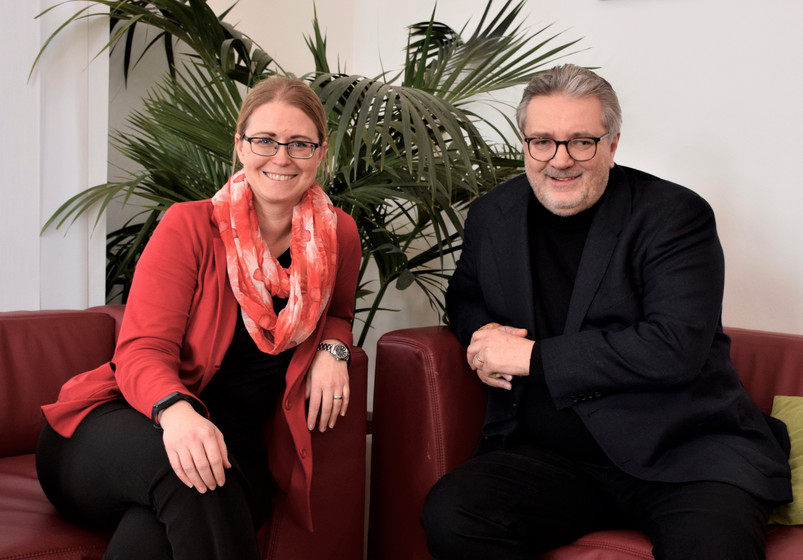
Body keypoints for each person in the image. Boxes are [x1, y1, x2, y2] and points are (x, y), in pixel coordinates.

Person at [420, 64, 792, 560]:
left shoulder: (674, 216)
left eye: (581, 142)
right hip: (553, 461)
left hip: (684, 456)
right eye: (542, 141)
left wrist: (532, 357)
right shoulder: (494, 214)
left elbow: (674, 346)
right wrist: (484, 332)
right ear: (525, 143)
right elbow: (464, 295)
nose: (560, 160)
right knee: (453, 515)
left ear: (612, 144)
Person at [36, 76, 361, 560]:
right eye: (264, 140)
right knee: (195, 472)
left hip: (235, 452)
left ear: (320, 151)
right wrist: (178, 414)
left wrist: (334, 349)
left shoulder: (339, 236)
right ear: (240, 145)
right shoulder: (189, 226)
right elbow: (141, 349)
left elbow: (337, 311)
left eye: (299, 143)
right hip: (119, 428)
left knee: (166, 523)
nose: (281, 157)